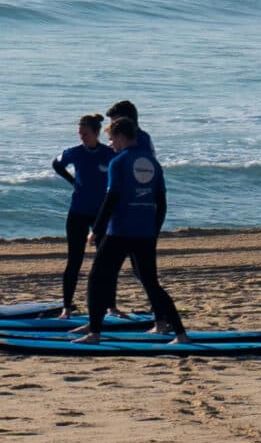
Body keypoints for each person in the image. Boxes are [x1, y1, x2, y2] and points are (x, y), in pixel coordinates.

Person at [85, 113, 190, 345]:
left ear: (121, 137)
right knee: (151, 283)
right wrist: (154, 229)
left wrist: (97, 230)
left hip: (120, 231)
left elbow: (111, 198)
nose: (111, 145)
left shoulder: (119, 162)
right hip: (145, 233)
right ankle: (180, 333)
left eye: (112, 140)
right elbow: (161, 202)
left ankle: (94, 332)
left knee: (97, 278)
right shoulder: (153, 162)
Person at [51, 113, 113, 315]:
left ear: (96, 133)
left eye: (85, 133)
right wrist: (72, 182)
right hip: (77, 212)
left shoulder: (109, 154)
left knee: (105, 263)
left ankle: (111, 306)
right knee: (74, 261)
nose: (81, 137)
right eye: (79, 133)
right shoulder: (74, 152)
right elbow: (56, 164)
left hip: (100, 215)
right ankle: (66, 308)